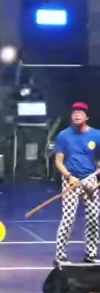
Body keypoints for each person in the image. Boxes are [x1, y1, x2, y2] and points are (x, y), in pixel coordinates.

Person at [54, 102, 100, 264]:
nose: (76, 115)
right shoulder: (64, 136)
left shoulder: (96, 135)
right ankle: (60, 256)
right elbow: (59, 161)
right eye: (74, 112)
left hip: (90, 180)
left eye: (80, 112)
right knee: (68, 218)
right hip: (71, 180)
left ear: (87, 117)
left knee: (94, 217)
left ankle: (91, 255)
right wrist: (69, 176)